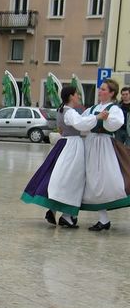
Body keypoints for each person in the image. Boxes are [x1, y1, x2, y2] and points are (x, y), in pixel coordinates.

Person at [21, 86, 106, 228]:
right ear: (71, 96)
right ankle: (66, 215)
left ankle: (59, 211)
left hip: (64, 143)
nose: (78, 96)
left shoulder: (62, 110)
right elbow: (80, 124)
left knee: (60, 177)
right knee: (72, 179)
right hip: (72, 146)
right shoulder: (70, 112)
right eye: (77, 94)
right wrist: (98, 117)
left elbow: (65, 126)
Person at [80, 79, 130, 231]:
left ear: (111, 93)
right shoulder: (93, 108)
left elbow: (117, 123)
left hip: (105, 145)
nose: (99, 91)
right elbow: (83, 122)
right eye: (100, 89)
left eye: (103, 89)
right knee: (92, 181)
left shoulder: (114, 109)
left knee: (106, 181)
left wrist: (106, 118)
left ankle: (104, 219)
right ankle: (103, 219)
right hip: (91, 144)